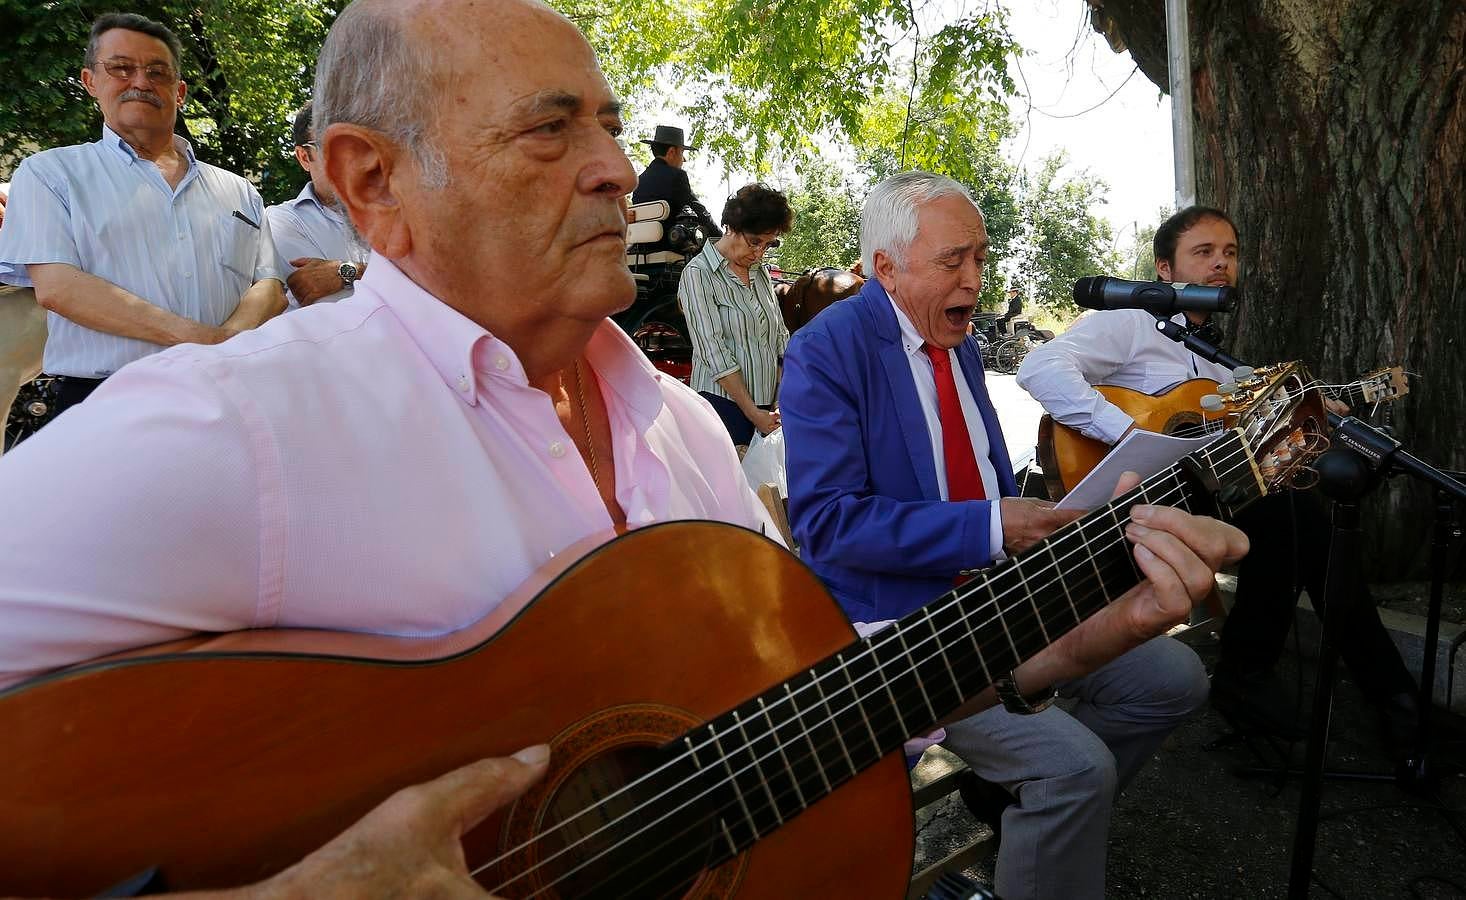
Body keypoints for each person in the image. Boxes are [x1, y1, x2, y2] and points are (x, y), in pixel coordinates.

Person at [0, 2, 1244, 893]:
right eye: (551, 134)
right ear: (371, 180)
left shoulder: (675, 426)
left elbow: (792, 706)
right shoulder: (232, 425)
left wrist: (1062, 638)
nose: (614, 171)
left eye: (607, 124)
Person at [782, 172, 1232, 900]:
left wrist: (1044, 516)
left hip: (1001, 599)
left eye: (982, 258)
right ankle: (1046, 798)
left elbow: (988, 478)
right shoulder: (827, 350)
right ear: (886, 269)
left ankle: (1020, 808)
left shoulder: (953, 338)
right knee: (1077, 769)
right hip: (907, 634)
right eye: (953, 261)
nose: (975, 280)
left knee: (1175, 680)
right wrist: (991, 524)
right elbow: (827, 522)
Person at [1015, 205, 1419, 751]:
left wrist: (1318, 406)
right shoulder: (1133, 320)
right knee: (1296, 518)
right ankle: (1360, 692)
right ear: (1164, 269)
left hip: (1193, 500)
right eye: (1203, 252)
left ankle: (1274, 679)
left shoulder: (1218, 363)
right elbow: (1039, 368)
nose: (1220, 264)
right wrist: (1129, 434)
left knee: (1294, 510)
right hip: (1126, 500)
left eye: (1229, 253)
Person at [0, 13, 284, 419]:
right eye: (120, 68)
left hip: (227, 394)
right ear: (90, 81)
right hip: (105, 402)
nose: (140, 81)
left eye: (157, 71)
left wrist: (228, 343)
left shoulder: (237, 189)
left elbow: (270, 283)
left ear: (180, 90)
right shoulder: (50, 175)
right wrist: (200, 341)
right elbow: (58, 288)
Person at [679, 183, 792, 445]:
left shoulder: (761, 273)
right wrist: (753, 413)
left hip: (768, 408)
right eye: (754, 242)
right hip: (722, 407)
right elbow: (713, 352)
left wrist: (779, 400)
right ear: (731, 227)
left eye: (768, 244)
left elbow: (779, 340)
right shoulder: (698, 274)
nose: (759, 252)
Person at [265, 101, 370, 306]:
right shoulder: (283, 221)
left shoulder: (394, 210)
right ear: (304, 157)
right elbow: (332, 304)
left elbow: (430, 283)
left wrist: (348, 271)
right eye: (329, 146)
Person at [630, 124, 721, 252]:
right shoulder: (677, 176)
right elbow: (698, 210)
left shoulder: (638, 180)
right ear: (672, 152)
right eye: (682, 152)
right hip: (670, 245)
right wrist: (720, 236)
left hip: (641, 249)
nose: (684, 159)